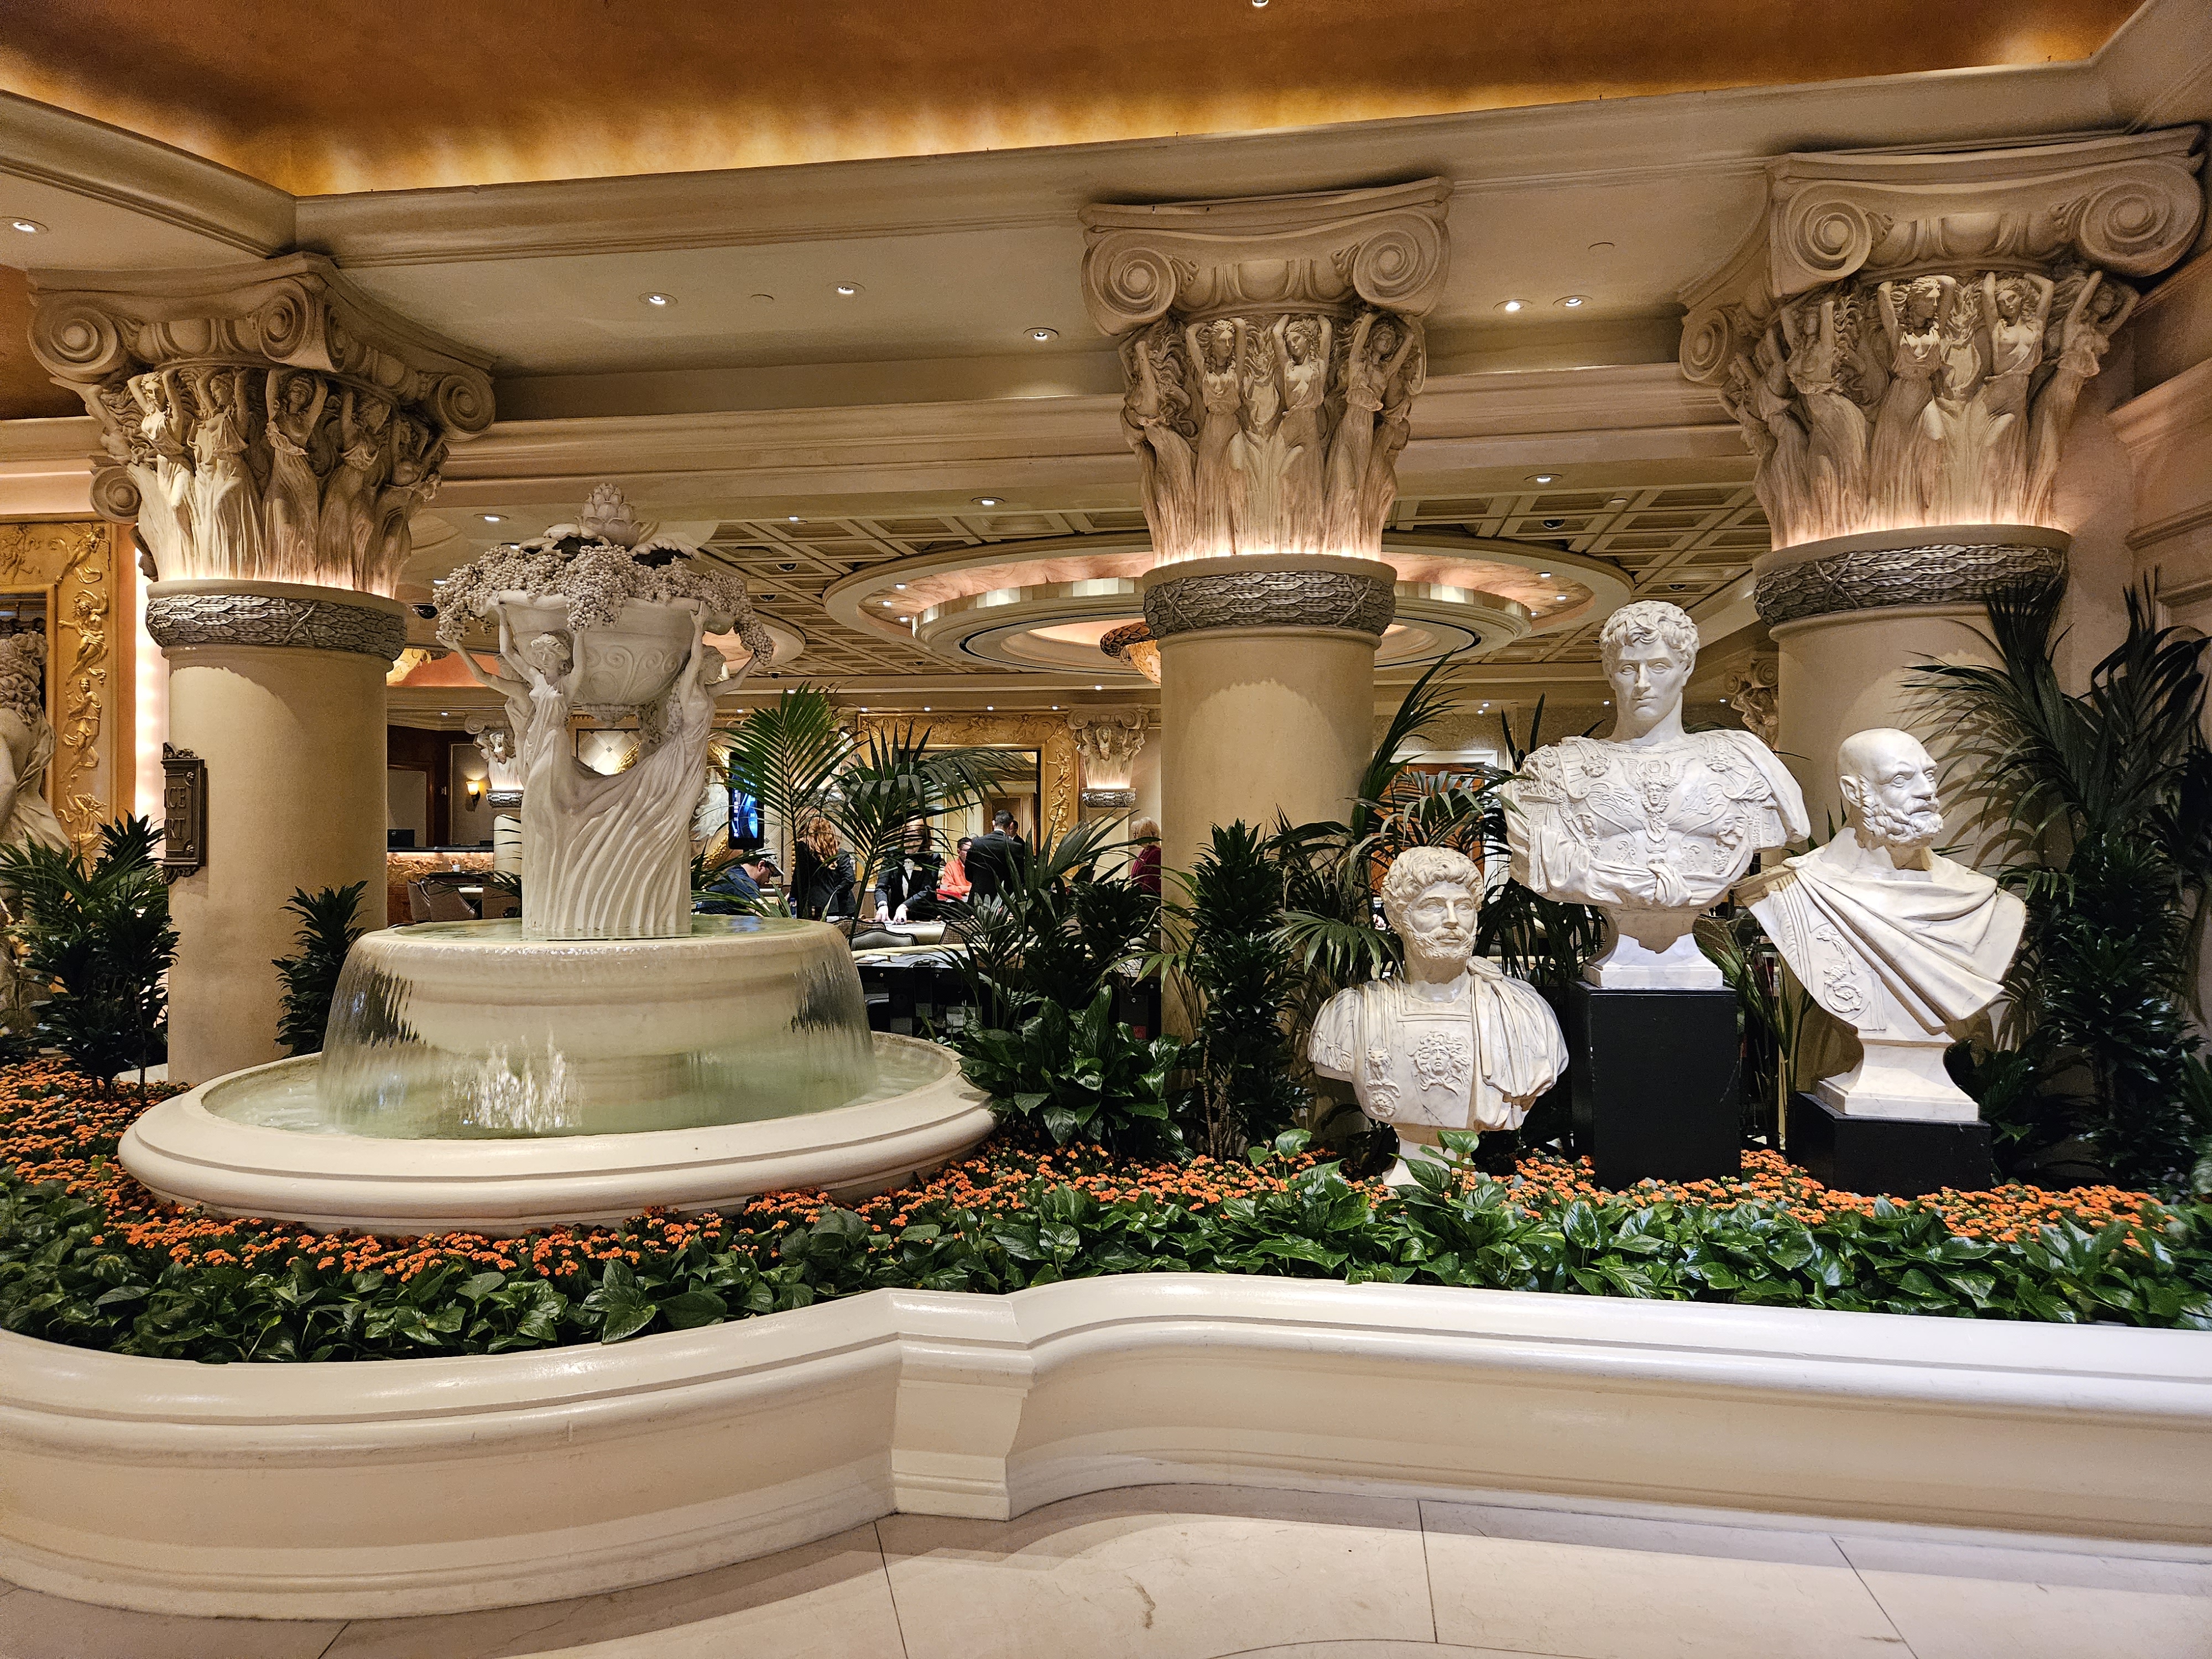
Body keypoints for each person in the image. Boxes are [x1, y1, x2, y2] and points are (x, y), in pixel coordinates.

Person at [1506, 599, 1806, 987]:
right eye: (1628, 669)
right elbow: (1545, 860)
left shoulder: (1742, 763)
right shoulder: (1556, 770)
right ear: (1610, 673)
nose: (1643, 683)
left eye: (1659, 666)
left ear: (1686, 668)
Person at [1739, 728, 2025, 1120]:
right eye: (1901, 779)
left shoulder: (1991, 904)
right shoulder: (1792, 890)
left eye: (1929, 774)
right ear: (1854, 792)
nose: (1927, 791)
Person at [1309, 847, 1567, 1186]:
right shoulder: (1351, 1015)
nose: (1452, 920)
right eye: (1433, 906)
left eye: (1464, 907)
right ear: (1398, 919)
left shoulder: (1523, 1013)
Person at [794, 817, 854, 920]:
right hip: (831, 907)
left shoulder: (808, 852)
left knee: (817, 928)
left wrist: (832, 895)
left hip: (838, 906)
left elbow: (849, 880)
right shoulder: (838, 854)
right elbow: (849, 880)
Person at [963, 810, 1030, 901]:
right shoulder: (1015, 847)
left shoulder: (977, 843)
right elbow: (1020, 878)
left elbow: (968, 874)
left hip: (978, 898)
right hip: (1004, 901)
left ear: (993, 823)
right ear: (1011, 825)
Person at [935, 836, 973, 904]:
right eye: (967, 851)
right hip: (957, 903)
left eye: (972, 851)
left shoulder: (977, 867)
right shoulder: (951, 866)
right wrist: (968, 889)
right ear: (959, 852)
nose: (971, 854)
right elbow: (946, 888)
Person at [1129, 817, 1162, 895]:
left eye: (1136, 834)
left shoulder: (1156, 853)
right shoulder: (1144, 852)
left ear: (1144, 834)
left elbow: (1151, 880)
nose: (1135, 837)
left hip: (1149, 896)